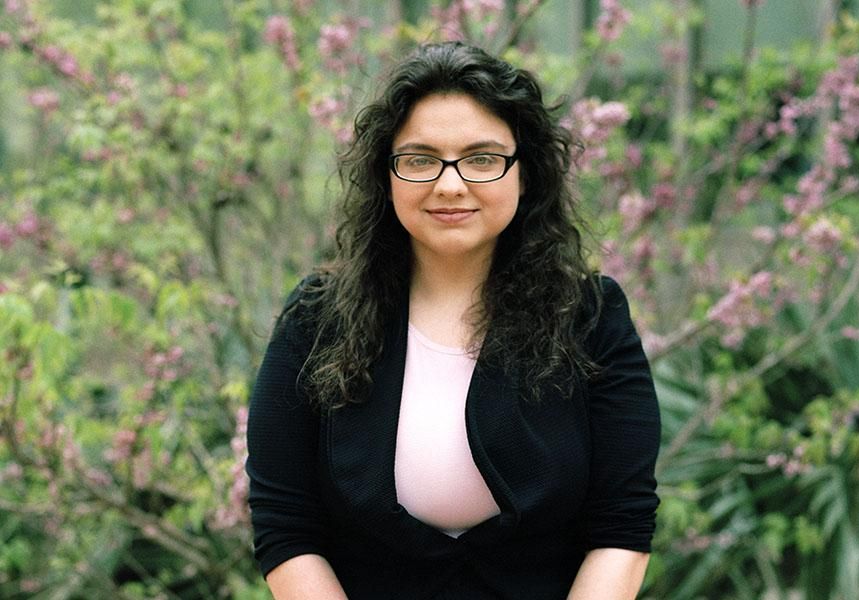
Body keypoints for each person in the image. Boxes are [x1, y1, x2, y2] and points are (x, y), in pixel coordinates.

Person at [246, 41, 661, 600]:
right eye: (419, 159)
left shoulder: (589, 317)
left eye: (482, 158)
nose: (449, 184)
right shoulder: (317, 320)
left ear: (525, 173)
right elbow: (286, 524)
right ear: (385, 174)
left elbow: (621, 524)